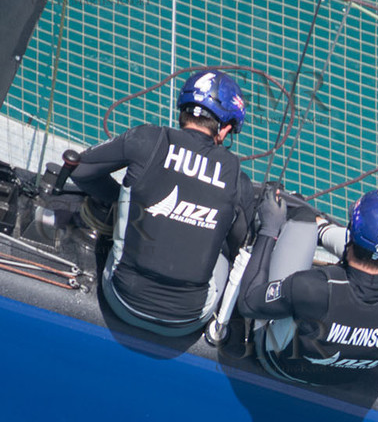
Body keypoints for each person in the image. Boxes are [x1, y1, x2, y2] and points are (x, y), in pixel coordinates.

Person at [68, 69, 255, 336]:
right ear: (224, 129)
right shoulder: (238, 178)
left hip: (122, 300)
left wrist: (122, 200)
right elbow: (239, 245)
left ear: (183, 109)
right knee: (224, 246)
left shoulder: (147, 139)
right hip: (186, 321)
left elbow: (79, 170)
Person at [235, 187, 378, 385]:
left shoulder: (313, 287)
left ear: (352, 231)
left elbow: (248, 303)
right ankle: (322, 228)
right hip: (348, 378)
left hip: (280, 364)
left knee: (303, 218)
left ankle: (314, 225)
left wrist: (269, 229)